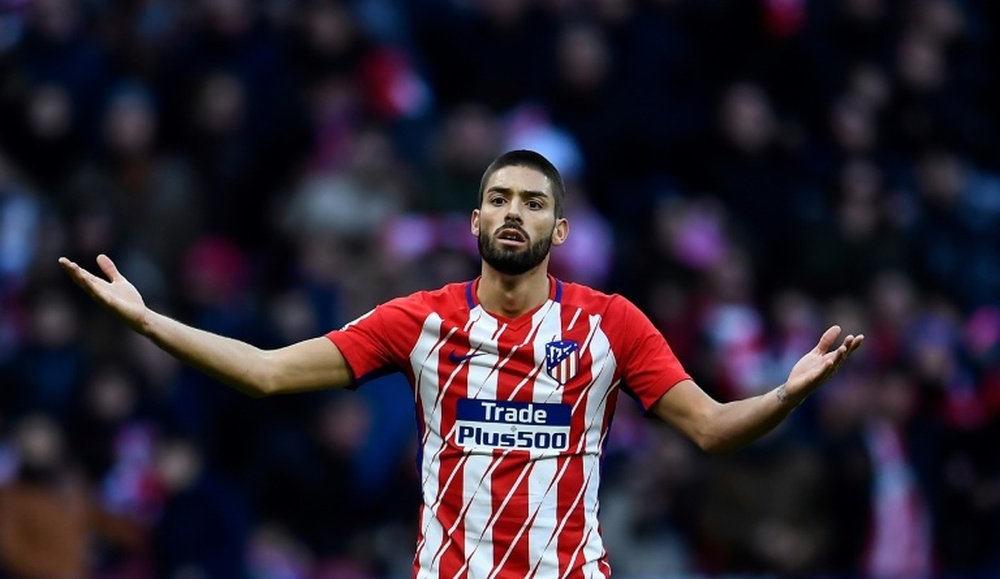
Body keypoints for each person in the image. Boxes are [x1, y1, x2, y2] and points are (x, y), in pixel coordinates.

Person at [60, 149, 864, 578]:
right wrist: (148, 319)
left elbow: (714, 429)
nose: (516, 211)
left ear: (560, 232)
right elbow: (269, 370)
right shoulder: (421, 321)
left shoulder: (611, 323)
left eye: (535, 202)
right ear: (474, 218)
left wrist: (787, 394)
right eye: (502, 198)